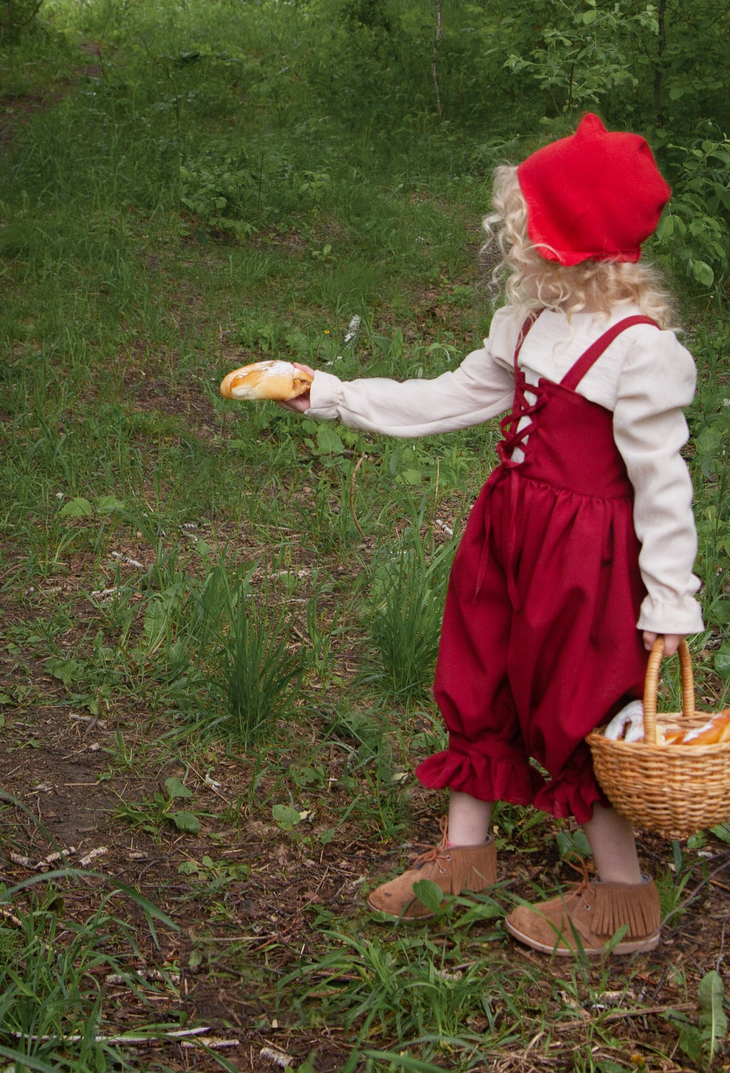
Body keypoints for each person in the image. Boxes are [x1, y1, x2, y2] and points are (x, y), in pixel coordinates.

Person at [285, 116, 700, 956]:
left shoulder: (640, 351)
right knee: (479, 672)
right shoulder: (529, 320)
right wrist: (333, 393)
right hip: (508, 533)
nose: (515, 239)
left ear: (570, 236)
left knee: (583, 705)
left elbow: (664, 486)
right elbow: (450, 396)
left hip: (586, 562)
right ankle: (466, 854)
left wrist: (672, 600)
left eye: (529, 224)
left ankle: (625, 897)